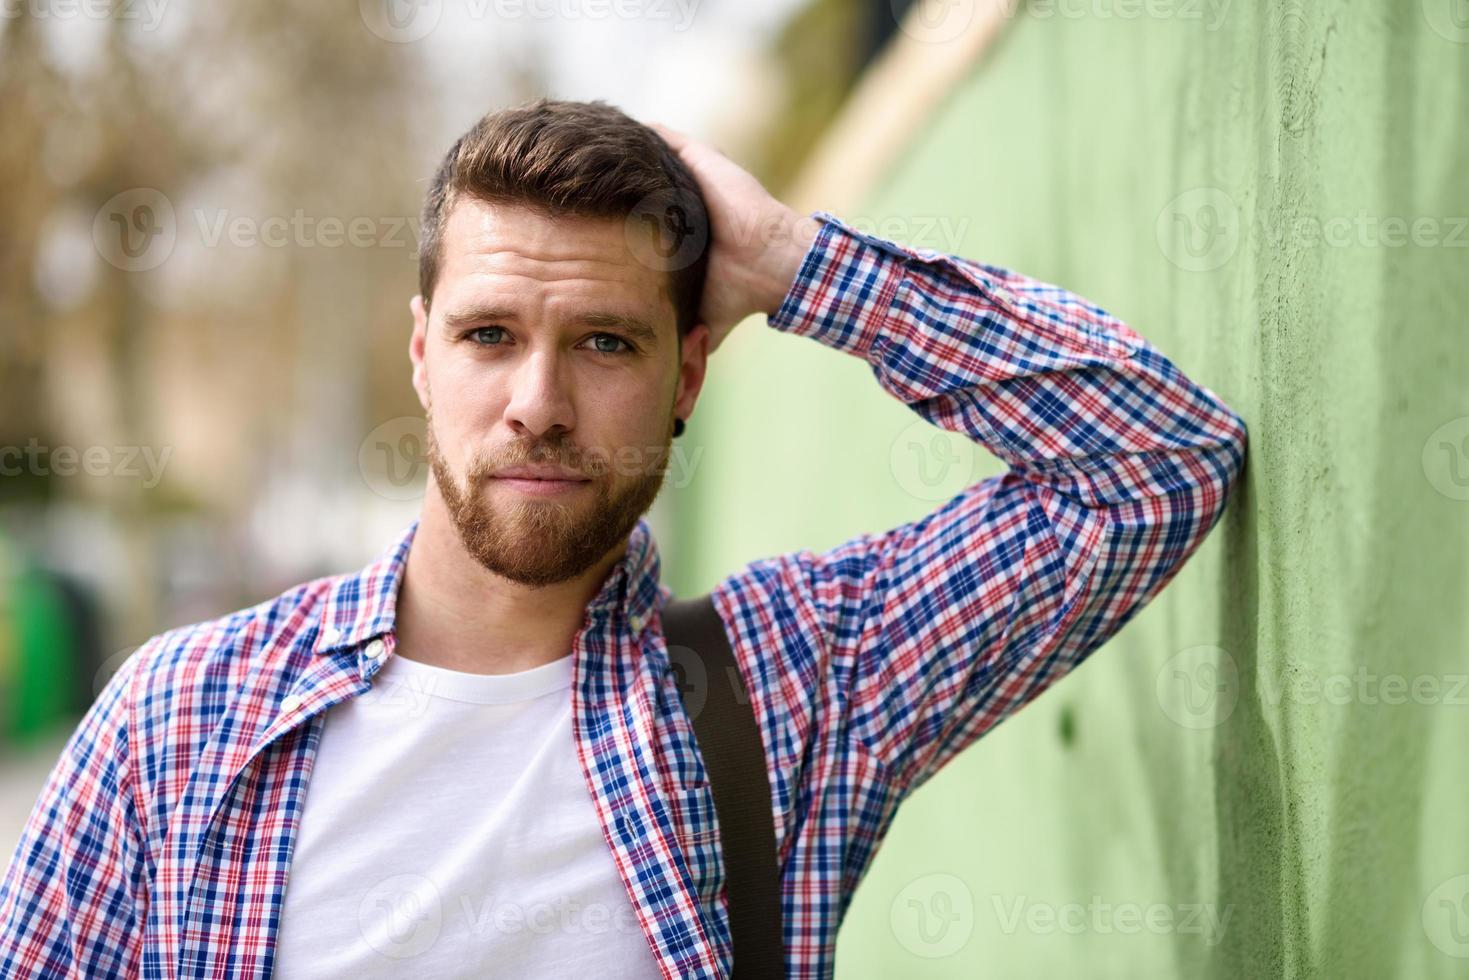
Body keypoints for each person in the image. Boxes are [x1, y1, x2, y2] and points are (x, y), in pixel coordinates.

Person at [0, 97, 1247, 979]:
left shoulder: (790, 683)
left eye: (604, 341)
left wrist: (792, 262)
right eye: (491, 335)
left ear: (686, 372)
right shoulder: (184, 721)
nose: (538, 401)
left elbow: (1154, 463)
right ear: (422, 352)